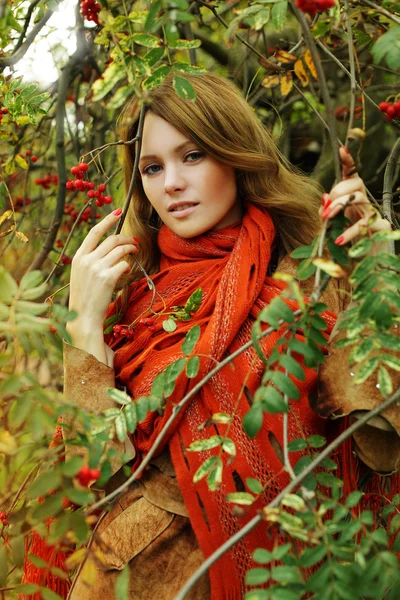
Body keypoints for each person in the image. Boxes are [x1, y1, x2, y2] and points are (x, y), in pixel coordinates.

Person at [26, 73, 399, 599]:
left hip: (290, 577)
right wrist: (84, 326)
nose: (171, 183)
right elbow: (89, 481)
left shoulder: (311, 281)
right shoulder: (135, 301)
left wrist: (376, 285)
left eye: (193, 155)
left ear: (235, 155)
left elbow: (379, 442)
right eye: (152, 168)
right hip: (137, 579)